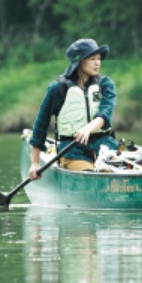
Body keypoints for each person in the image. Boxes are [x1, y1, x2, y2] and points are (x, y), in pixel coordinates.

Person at [28, 38, 119, 180]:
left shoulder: (106, 84)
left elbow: (105, 113)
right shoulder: (57, 89)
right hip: (73, 150)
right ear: (80, 61)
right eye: (92, 58)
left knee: (125, 170)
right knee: (90, 175)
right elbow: (41, 125)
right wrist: (35, 163)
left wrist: (88, 128)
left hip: (105, 147)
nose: (97, 63)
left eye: (99, 59)